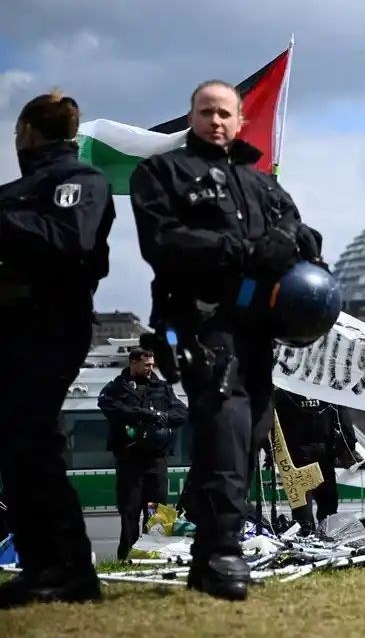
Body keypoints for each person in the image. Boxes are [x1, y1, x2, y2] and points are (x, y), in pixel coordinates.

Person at [129, 80, 325, 601]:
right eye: (206, 112)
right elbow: (164, 243)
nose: (216, 121)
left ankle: (208, 547)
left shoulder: (261, 183)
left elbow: (305, 235)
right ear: (191, 116)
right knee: (226, 430)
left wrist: (289, 241)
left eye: (225, 113)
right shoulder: (163, 173)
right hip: (203, 324)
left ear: (240, 121)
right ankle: (221, 554)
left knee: (252, 432)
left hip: (259, 328)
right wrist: (242, 251)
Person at [0, 90, 115, 609]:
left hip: (50, 324)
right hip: (11, 326)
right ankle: (39, 564)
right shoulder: (15, 190)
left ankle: (68, 568)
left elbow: (72, 243)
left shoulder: (80, 183)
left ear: (26, 130)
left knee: (31, 441)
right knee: (16, 449)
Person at [98, 347, 188, 560]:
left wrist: (162, 417)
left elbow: (182, 413)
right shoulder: (116, 388)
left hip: (157, 460)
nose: (150, 368)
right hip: (130, 460)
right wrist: (145, 415)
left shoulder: (162, 388)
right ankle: (128, 557)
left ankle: (155, 556)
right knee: (129, 513)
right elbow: (109, 407)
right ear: (134, 363)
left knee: (159, 511)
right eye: (146, 364)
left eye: (152, 364)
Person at [272, 389, 340, 533]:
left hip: (308, 452)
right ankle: (312, 534)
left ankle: (313, 534)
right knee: (310, 508)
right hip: (301, 452)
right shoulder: (325, 391)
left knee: (317, 508)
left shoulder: (282, 393)